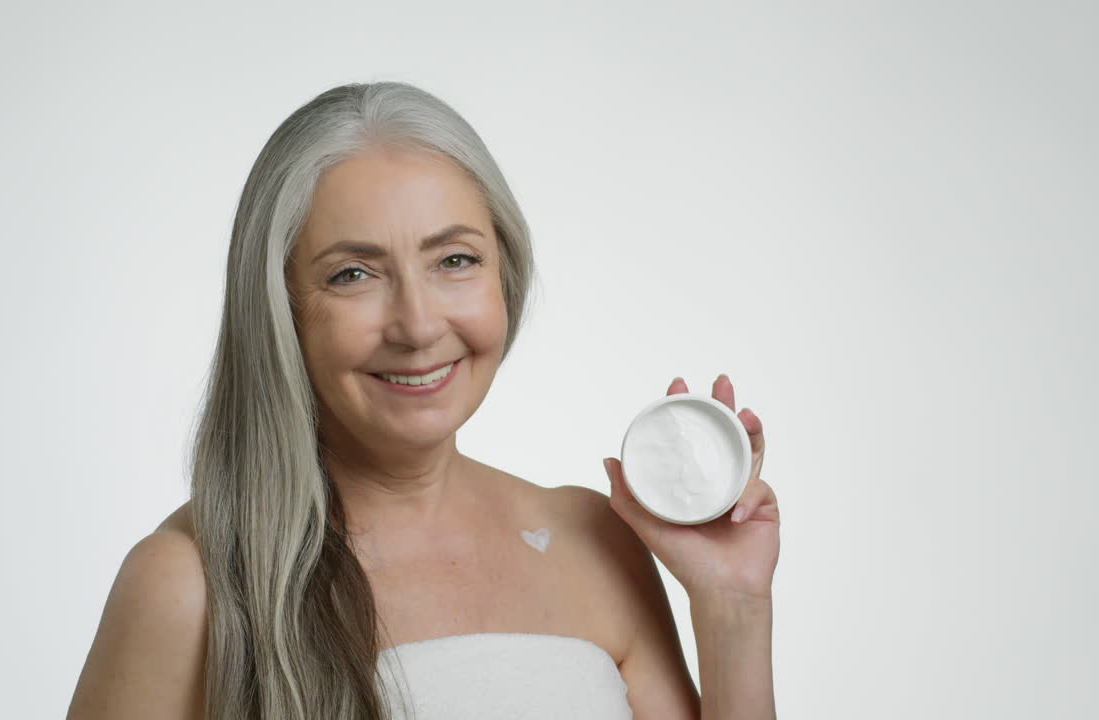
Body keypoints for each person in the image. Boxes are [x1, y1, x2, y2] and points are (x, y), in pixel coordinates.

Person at [67, 81, 780, 720]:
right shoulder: (188, 585)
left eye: (455, 261)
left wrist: (734, 607)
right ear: (279, 308)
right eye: (352, 274)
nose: (417, 325)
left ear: (505, 271)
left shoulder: (595, 540)